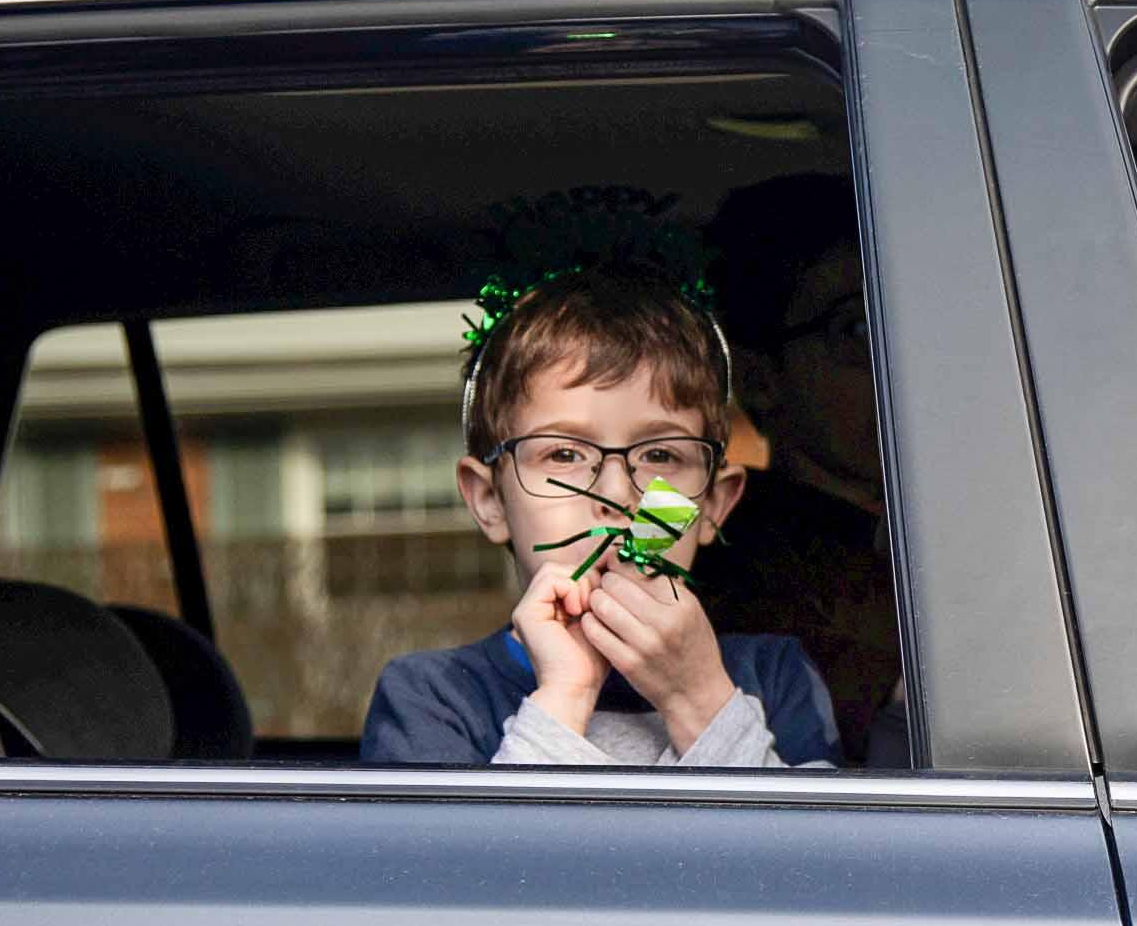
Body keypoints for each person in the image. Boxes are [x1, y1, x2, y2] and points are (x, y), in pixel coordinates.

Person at [360, 194, 837, 768]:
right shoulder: (433, 697)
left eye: (660, 454)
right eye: (564, 453)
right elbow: (475, 836)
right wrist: (566, 695)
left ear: (713, 504)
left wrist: (699, 701)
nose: (616, 495)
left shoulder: (775, 678)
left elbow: (807, 834)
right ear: (489, 500)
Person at [692, 173, 903, 763]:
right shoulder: (735, 577)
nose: (900, 359)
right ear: (760, 379)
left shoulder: (955, 537)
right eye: (857, 329)